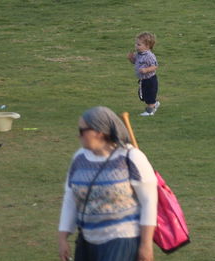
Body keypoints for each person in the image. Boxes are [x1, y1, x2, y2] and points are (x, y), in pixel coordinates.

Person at [58, 106, 157, 261]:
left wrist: (146, 245)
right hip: (87, 240)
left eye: (82, 130)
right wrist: (63, 237)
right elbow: (70, 198)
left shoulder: (131, 157)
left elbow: (149, 202)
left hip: (122, 239)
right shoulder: (79, 158)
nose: (79, 136)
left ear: (99, 132)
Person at [129, 32, 160, 116]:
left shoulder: (149, 56)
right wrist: (131, 58)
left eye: (139, 44)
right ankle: (154, 103)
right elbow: (135, 62)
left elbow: (155, 66)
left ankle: (150, 111)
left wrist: (146, 70)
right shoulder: (138, 54)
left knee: (150, 94)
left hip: (150, 79)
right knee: (143, 96)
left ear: (147, 46)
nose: (136, 46)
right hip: (142, 79)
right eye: (136, 44)